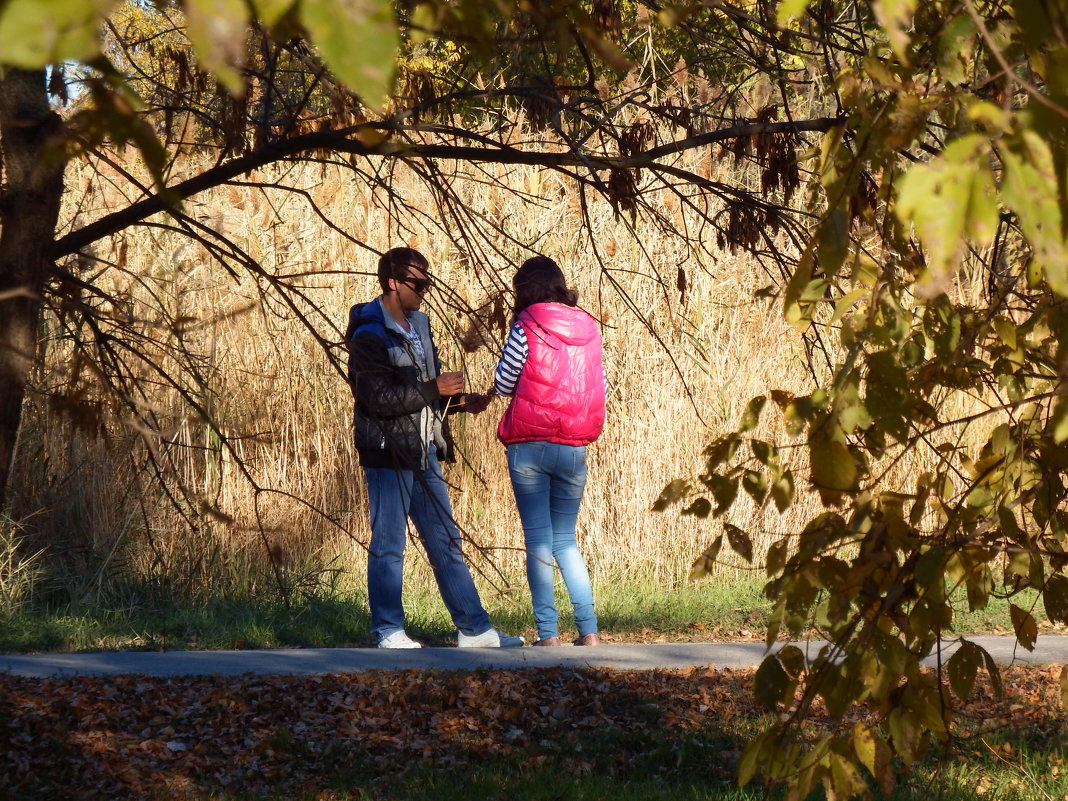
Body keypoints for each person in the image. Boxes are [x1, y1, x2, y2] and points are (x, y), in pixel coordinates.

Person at [346, 247, 524, 649]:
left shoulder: (420, 325)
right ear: (392, 282)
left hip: (424, 448)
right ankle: (388, 629)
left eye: (427, 281)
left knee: (445, 539)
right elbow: (376, 399)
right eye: (417, 282)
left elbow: (426, 393)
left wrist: (461, 402)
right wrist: (433, 389)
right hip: (388, 450)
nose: (424, 289)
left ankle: (474, 630)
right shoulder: (368, 333)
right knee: (389, 542)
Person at [494, 256, 606, 647]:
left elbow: (506, 381)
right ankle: (589, 630)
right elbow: (598, 387)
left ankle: (548, 634)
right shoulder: (589, 327)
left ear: (525, 289)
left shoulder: (527, 324)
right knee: (566, 540)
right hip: (574, 449)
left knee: (538, 539)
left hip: (529, 447)